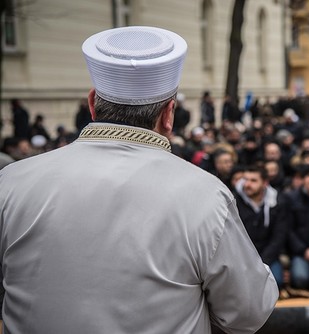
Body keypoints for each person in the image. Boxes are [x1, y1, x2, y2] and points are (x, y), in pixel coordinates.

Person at [0, 26, 278, 334]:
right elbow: (249, 312)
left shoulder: (11, 182)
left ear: (93, 103)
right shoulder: (204, 195)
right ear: (169, 114)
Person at [234, 165, 287, 289]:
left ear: (264, 183)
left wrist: (263, 262)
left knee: (275, 281)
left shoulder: (277, 202)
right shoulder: (234, 201)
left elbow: (279, 236)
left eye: (253, 181)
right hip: (241, 257)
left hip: (267, 255)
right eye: (245, 179)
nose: (247, 184)